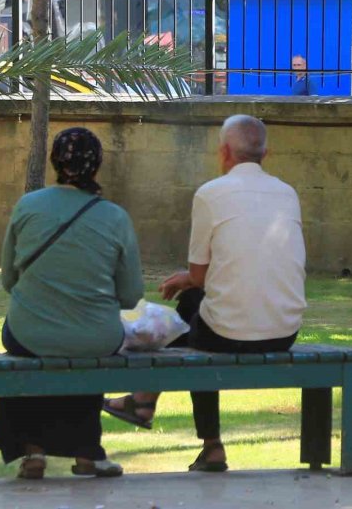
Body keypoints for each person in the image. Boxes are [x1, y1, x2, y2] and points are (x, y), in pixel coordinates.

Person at [104, 115, 306, 472]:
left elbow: (199, 273)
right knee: (198, 308)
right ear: (266, 154)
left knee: (191, 326)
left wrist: (187, 278)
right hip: (284, 333)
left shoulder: (211, 194)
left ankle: (192, 431)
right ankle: (149, 403)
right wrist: (192, 279)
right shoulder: (287, 193)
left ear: (225, 152)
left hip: (230, 334)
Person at [0, 127, 144, 480]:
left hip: (29, 334)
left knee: (26, 348)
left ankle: (32, 450)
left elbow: (7, 281)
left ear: (55, 161)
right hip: (96, 336)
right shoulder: (115, 217)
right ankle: (88, 451)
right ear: (97, 165)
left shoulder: (28, 206)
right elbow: (131, 294)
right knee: (86, 348)